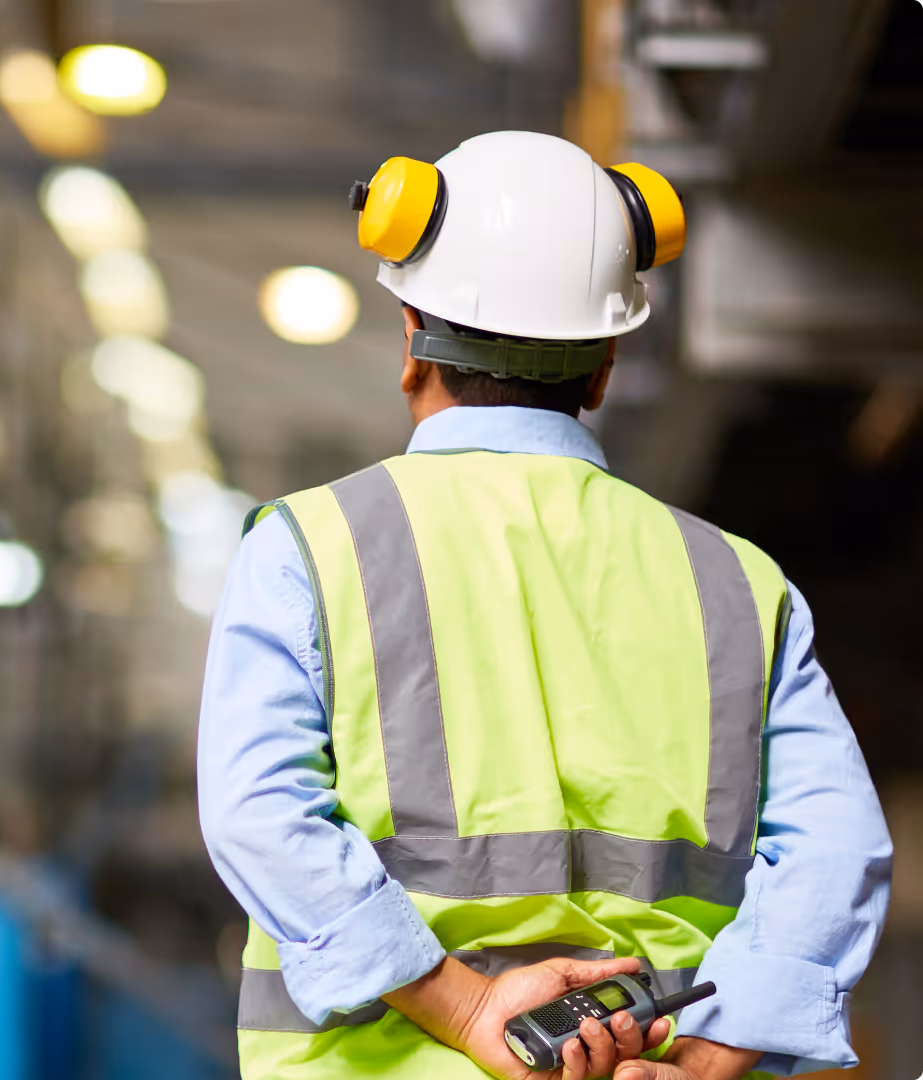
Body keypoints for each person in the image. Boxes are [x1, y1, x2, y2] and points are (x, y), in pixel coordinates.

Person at [198, 132, 892, 1080]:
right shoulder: (738, 581)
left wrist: (466, 1004)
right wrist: (707, 1059)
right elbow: (836, 848)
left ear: (411, 337)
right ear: (604, 365)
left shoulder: (310, 550)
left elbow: (261, 812)